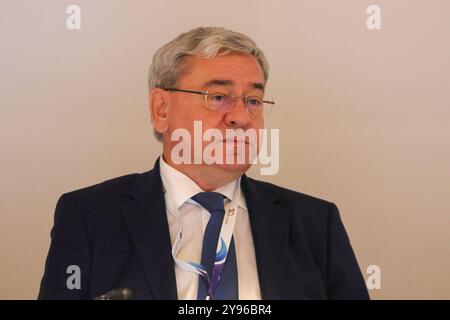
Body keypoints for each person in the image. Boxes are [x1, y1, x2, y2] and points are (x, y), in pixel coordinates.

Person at [38, 26, 369, 300]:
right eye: (218, 97)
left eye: (253, 100)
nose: (240, 117)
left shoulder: (315, 223)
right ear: (161, 110)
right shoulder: (89, 217)